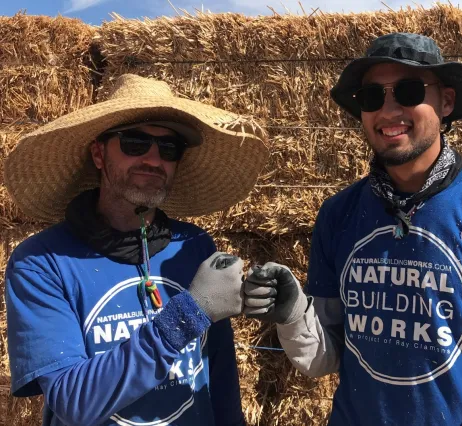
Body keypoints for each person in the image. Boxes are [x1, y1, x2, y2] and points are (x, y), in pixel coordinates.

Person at [243, 33, 462, 425]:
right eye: (372, 97)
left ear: (446, 102)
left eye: (409, 91)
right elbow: (321, 359)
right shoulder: (339, 214)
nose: (389, 110)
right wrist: (293, 313)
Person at [5, 73, 268, 426]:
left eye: (168, 149)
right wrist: (186, 316)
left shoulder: (193, 247)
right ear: (99, 154)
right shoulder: (41, 263)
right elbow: (73, 401)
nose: (153, 159)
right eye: (134, 143)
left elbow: (218, 367)